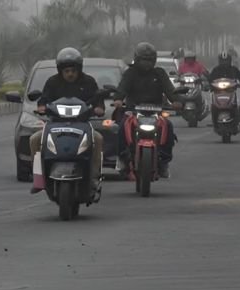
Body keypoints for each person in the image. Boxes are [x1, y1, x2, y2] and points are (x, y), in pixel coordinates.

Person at [30, 47, 105, 195]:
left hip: (82, 125)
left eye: (73, 70)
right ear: (60, 71)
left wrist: (99, 108)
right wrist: (41, 107)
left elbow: (98, 101)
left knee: (98, 139)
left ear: (79, 69)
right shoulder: (52, 82)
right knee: (34, 139)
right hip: (55, 125)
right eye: (66, 71)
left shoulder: (89, 82)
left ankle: (94, 177)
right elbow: (43, 100)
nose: (70, 74)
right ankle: (39, 178)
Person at [113, 42, 182, 179]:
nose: (146, 63)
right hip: (133, 111)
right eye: (143, 59)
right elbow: (122, 88)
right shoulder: (130, 73)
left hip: (156, 112)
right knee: (121, 127)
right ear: (137, 59)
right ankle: (122, 159)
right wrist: (118, 99)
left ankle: (164, 162)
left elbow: (170, 89)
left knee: (168, 126)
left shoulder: (160, 73)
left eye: (149, 60)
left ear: (154, 60)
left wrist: (176, 101)